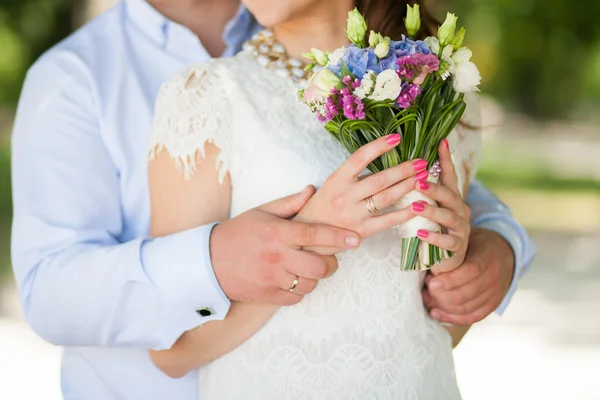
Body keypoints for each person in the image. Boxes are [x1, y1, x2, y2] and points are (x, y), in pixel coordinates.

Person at [10, 0, 535, 399]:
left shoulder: (424, 87)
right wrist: (251, 254)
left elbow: (432, 297)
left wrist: (495, 246)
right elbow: (52, 292)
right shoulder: (89, 79)